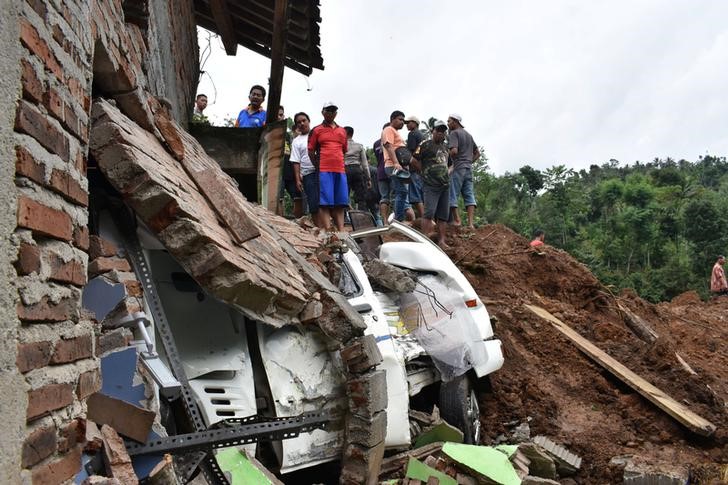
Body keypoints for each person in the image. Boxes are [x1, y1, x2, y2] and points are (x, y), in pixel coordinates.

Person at [308, 102, 348, 231]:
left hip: (340, 170)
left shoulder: (342, 131)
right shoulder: (316, 130)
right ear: (323, 112)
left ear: (336, 113)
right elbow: (311, 150)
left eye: (333, 111)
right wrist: (317, 165)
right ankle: (328, 229)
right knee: (324, 201)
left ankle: (341, 230)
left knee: (340, 202)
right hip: (324, 169)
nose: (330, 113)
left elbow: (344, 150)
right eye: (328, 110)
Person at [411, 120, 450, 249]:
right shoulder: (425, 144)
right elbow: (413, 160)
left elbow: (451, 163)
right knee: (429, 213)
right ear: (433, 131)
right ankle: (425, 240)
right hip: (430, 184)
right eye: (438, 130)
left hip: (444, 185)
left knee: (443, 215)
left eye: (443, 131)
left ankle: (442, 241)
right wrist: (423, 173)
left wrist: (447, 172)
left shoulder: (445, 147)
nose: (440, 133)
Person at [447, 113, 480, 228]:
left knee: (452, 193)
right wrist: (469, 162)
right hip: (468, 168)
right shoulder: (469, 135)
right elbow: (477, 153)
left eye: (449, 121)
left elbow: (454, 151)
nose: (448, 124)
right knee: (469, 195)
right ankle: (471, 224)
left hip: (458, 167)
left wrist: (447, 155)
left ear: (455, 121)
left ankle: (457, 220)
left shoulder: (454, 133)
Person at [290, 112, 319, 224]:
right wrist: (297, 180)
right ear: (296, 126)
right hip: (307, 174)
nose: (302, 123)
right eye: (299, 122)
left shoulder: (317, 133)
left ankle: (331, 228)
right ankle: (320, 229)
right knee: (313, 203)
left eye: (304, 120)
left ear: (308, 121)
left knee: (327, 202)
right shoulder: (296, 141)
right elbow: (295, 161)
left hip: (322, 172)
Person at [381, 111, 409, 221]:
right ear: (392, 119)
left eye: (403, 120)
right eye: (400, 119)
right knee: (401, 191)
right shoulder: (388, 129)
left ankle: (398, 218)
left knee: (400, 192)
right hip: (392, 165)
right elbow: (389, 146)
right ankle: (398, 220)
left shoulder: (395, 132)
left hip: (397, 166)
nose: (402, 122)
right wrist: (396, 163)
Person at [277, 106, 304, 218]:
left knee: (298, 195)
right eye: (278, 115)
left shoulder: (287, 135)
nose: (280, 117)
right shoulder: (267, 131)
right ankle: (279, 221)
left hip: (290, 170)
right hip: (277, 171)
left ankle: (301, 222)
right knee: (279, 197)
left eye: (282, 114)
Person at [343, 126, 372, 210]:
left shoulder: (341, 146)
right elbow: (365, 164)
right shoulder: (359, 146)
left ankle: (344, 218)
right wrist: (368, 178)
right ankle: (361, 217)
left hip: (345, 170)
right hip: (357, 170)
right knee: (361, 196)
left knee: (344, 195)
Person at [405, 115, 424, 218]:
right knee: (422, 194)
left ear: (415, 123)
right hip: (422, 168)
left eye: (409, 122)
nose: (406, 125)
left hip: (414, 167)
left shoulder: (412, 134)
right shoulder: (421, 135)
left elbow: (411, 152)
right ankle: (428, 218)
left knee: (416, 195)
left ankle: (424, 218)